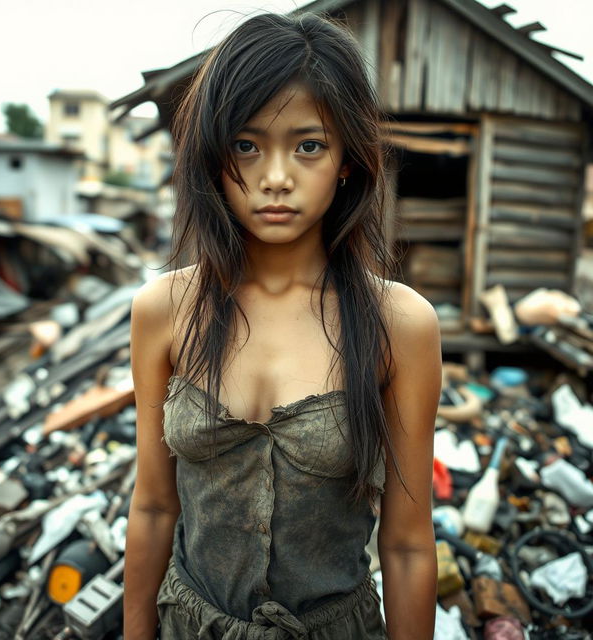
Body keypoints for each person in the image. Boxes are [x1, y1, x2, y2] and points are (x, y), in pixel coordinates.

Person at [124, 10, 441, 640]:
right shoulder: (164, 309)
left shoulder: (398, 323)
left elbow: (406, 545)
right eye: (247, 144)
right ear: (215, 156)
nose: (275, 178)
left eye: (308, 145)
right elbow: (156, 505)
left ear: (347, 159)